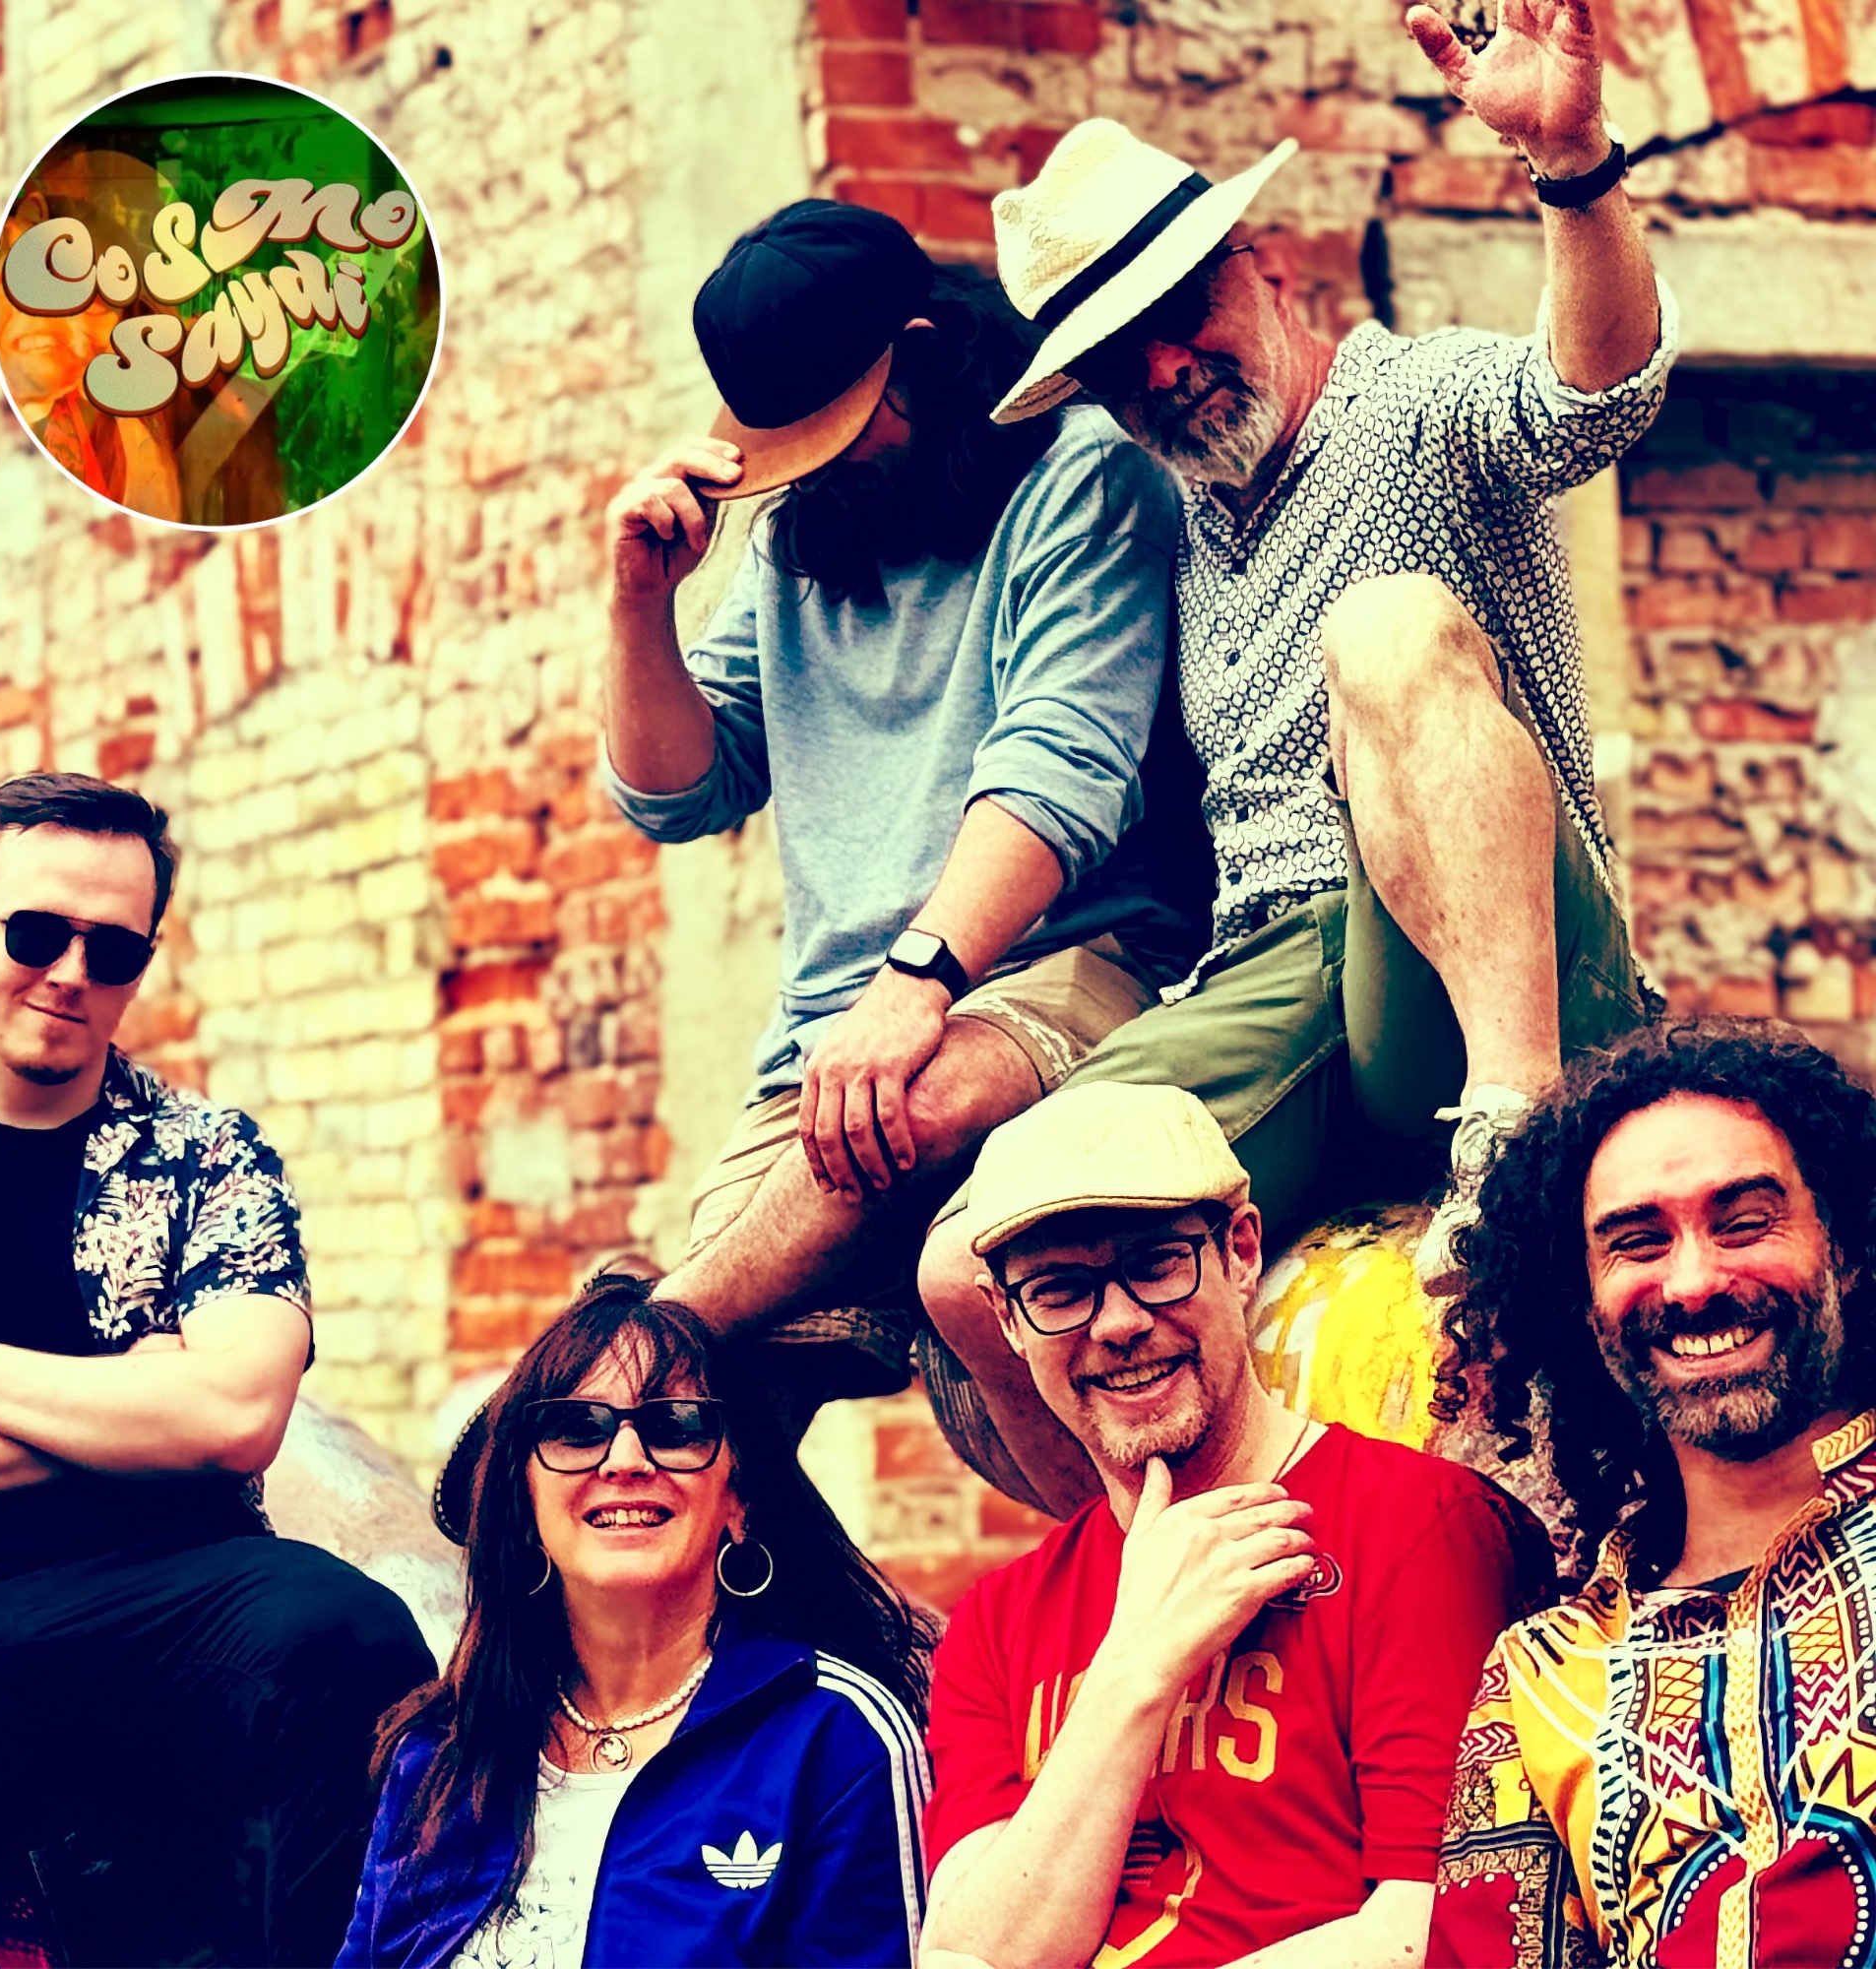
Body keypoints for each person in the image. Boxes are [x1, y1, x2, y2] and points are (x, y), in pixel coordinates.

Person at [919, 0, 1678, 1513]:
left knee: (1386, 626)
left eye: (1181, 318)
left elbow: (1593, 394)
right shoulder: (1188, 538)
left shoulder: (1410, 403)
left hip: (1493, 952)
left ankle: (1520, 1150)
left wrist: (1576, 163)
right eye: (1120, 367)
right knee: (966, 1264)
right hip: (1278, 988)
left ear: (1262, 265)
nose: (1168, 372)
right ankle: (1143, 1590)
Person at [600, 196, 1203, 1431]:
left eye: (834, 428)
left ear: (921, 351)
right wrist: (638, 601)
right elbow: (676, 792)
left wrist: (915, 979)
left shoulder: (1075, 469)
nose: (813, 469)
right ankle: (865, 1615)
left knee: (905, 1117)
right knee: (709, 1426)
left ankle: (632, 1342)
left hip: (1057, 961)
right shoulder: (795, 539)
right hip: (836, 1034)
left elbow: (1061, 759)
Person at [0, 772, 434, 1968]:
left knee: (345, 1631)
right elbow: (190, 1422)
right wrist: (135, 1411)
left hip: (173, 1601)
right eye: (37, 933)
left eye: (115, 948)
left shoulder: (210, 1153)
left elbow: (238, 1414)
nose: (71, 973)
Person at [920, 1079, 1549, 1968]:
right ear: (1006, 1320)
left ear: (1241, 1251)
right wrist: (1137, 1666)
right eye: (1060, 1291)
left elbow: (1435, 1929)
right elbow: (971, 1953)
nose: (1120, 1323)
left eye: (1156, 1263)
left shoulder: (1421, 1531)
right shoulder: (1000, 1618)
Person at [1427, 1018, 1876, 1967]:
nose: (1693, 1282)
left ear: (1845, 1248)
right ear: (1582, 1308)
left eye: (1745, 1222)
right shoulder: (1542, 1681)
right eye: (1636, 1243)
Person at [341, 1277, 933, 1968]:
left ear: (738, 1500)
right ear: (526, 1503)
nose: (624, 1461)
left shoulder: (838, 1738)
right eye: (576, 1429)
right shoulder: (438, 1752)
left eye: (675, 1427)